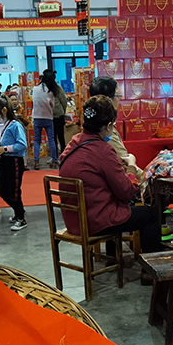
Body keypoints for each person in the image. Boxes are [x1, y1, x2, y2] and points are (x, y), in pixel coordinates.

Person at [59, 95, 159, 254]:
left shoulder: (73, 143)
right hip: (95, 221)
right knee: (149, 215)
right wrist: (131, 166)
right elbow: (127, 191)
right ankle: (150, 266)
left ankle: (113, 257)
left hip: (74, 220)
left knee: (114, 202)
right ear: (109, 125)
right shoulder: (102, 150)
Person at [0, 96, 28, 231]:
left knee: (14, 191)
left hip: (14, 161)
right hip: (5, 162)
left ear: (4, 110)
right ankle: (18, 211)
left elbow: (22, 145)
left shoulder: (16, 125)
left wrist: (5, 149)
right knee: (3, 190)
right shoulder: (7, 124)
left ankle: (21, 217)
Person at [89, 76, 142, 176]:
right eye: (118, 95)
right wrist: (147, 178)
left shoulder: (87, 128)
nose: (119, 100)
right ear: (108, 100)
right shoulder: (106, 132)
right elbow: (124, 164)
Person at [31, 71, 58, 170]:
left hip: (37, 117)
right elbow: (52, 105)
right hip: (48, 117)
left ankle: (36, 162)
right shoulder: (51, 91)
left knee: (37, 140)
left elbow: (34, 102)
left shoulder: (35, 89)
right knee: (51, 140)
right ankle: (54, 161)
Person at [48, 71, 70, 154]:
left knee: (52, 136)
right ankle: (63, 152)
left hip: (49, 115)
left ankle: (54, 154)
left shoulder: (45, 90)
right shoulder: (58, 88)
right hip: (58, 115)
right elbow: (63, 101)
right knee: (61, 135)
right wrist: (62, 111)